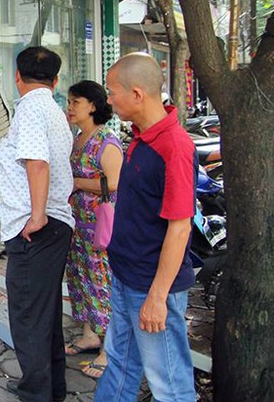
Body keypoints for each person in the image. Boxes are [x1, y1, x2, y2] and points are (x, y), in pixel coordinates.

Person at [94, 53, 197, 402]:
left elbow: (179, 229)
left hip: (152, 287)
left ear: (137, 94)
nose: (108, 99)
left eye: (112, 91)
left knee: (168, 383)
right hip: (126, 277)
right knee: (120, 366)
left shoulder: (175, 146)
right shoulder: (140, 137)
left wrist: (157, 297)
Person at [0, 46, 74, 402]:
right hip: (55, 225)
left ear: (17, 76)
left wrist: (37, 215)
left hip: (37, 229)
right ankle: (49, 389)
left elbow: (37, 164)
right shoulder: (54, 111)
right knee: (45, 314)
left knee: (28, 316)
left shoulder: (29, 109)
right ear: (56, 80)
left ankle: (36, 394)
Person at [63, 80, 123, 379]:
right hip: (78, 226)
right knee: (82, 281)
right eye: (70, 101)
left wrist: (77, 183)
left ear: (93, 106)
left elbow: (114, 183)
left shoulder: (106, 141)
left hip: (98, 227)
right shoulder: (78, 138)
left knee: (101, 283)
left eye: (76, 102)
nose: (70, 106)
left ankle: (109, 350)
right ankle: (90, 334)